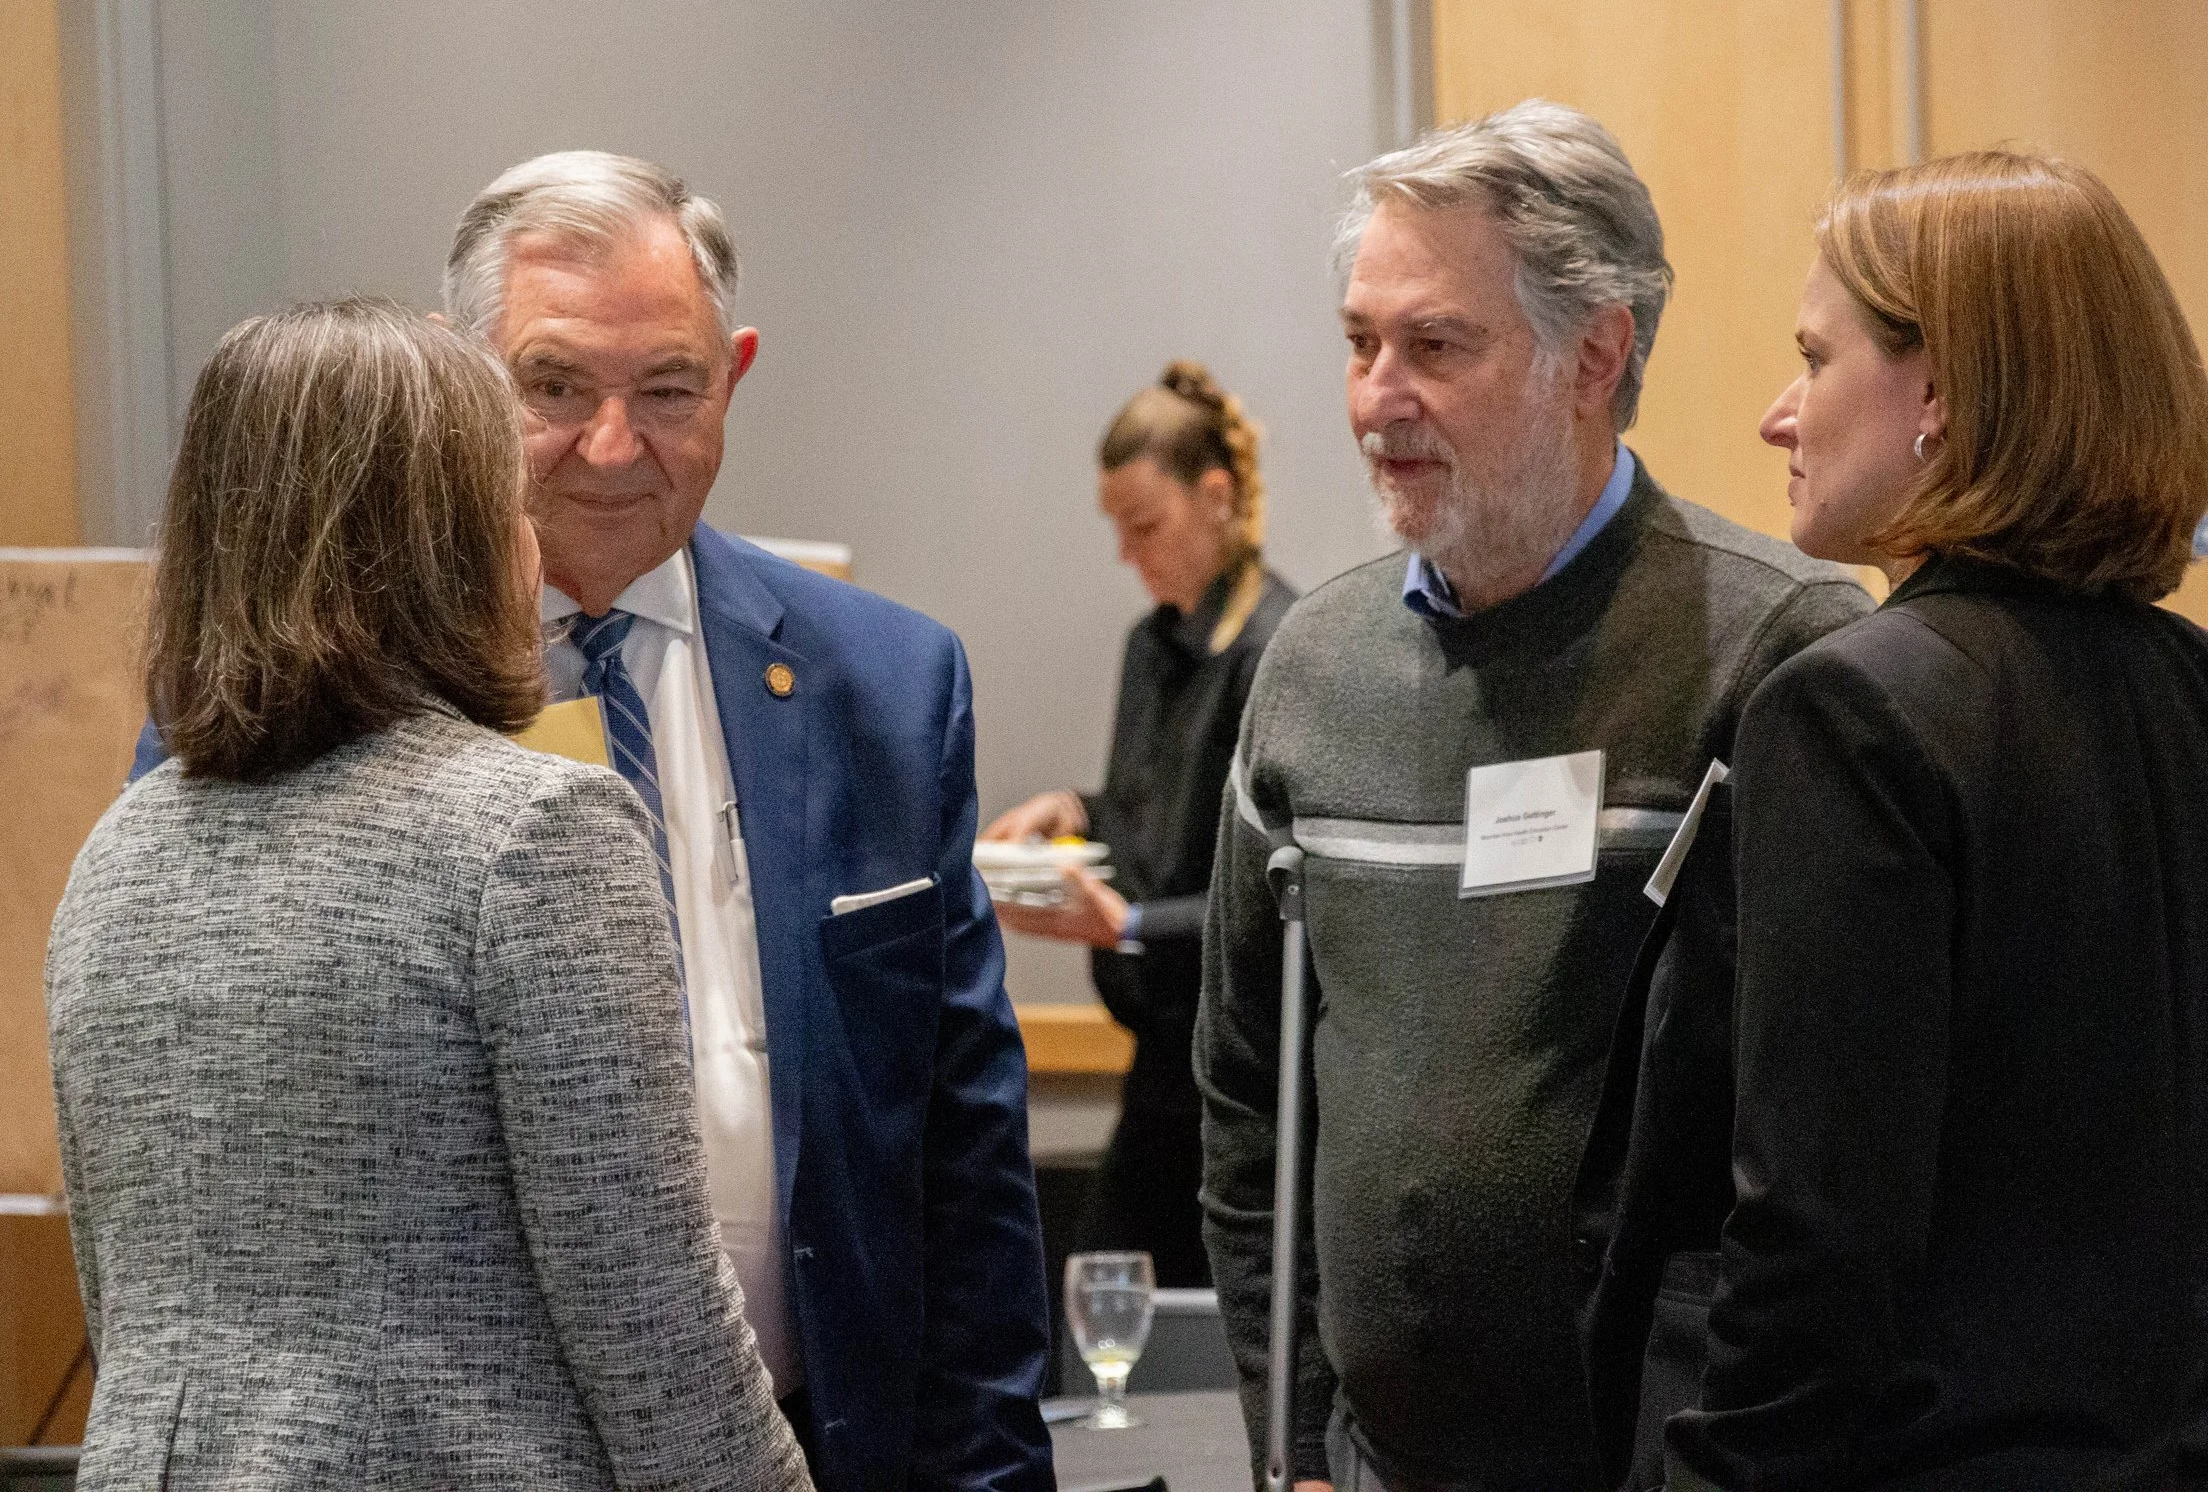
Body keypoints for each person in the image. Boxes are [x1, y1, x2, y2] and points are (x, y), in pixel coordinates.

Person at [127, 153, 1054, 1491]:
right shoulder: (288, 693)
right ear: (457, 379)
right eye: (553, 387)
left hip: (811, 1446)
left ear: (733, 374)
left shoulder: (888, 690)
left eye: (668, 389)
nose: (614, 446)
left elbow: (967, 1169)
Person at [1633, 151, 2208, 1490]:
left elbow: (1819, 1241)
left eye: (1815, 360)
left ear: (1936, 391)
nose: (1781, 415)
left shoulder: (1848, 714)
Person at [1195, 100, 1873, 1492]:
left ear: (1596, 354)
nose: (1379, 396)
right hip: (1371, 1467)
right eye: (1360, 342)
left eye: (1436, 345)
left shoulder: (1778, 652)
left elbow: (1821, 1162)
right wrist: (1294, 1439)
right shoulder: (1309, 668)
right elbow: (1252, 1096)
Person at [49, 300, 810, 1488]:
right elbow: (655, 1333)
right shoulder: (533, 834)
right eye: (511, 504)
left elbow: (125, 1304)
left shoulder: (119, 853)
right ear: (447, 543)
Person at [986, 361, 1297, 1288]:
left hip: (1247, 1077)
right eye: (1116, 529)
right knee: (1098, 1304)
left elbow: (1277, 890)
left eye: (1145, 526)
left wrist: (1120, 924)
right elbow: (1152, 831)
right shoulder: (1151, 642)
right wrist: (1074, 813)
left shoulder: (1276, 652)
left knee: (1192, 1345)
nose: (1129, 554)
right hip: (1159, 1061)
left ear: (1216, 497)